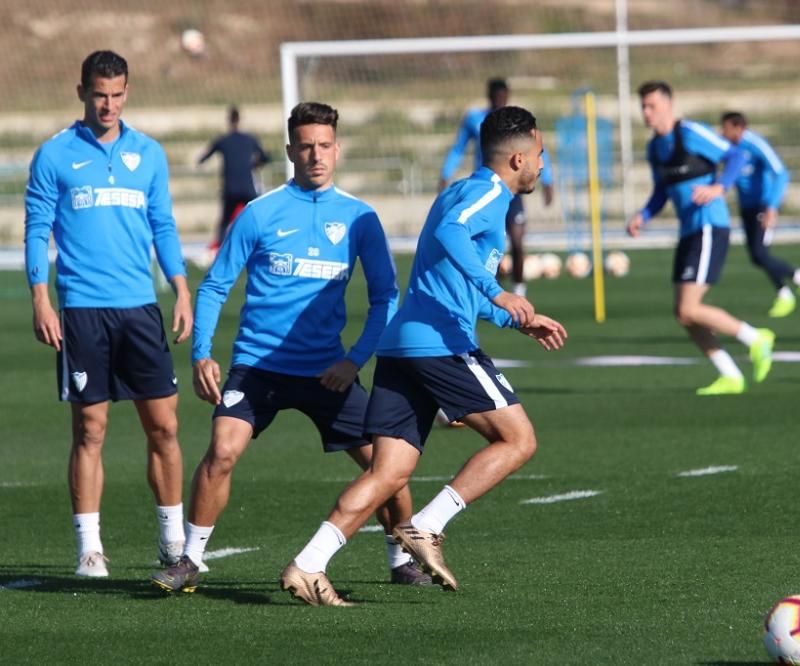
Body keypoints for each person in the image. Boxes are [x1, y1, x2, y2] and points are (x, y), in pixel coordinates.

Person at [279, 105, 568, 606]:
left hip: (400, 347)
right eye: (541, 156)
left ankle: (306, 565)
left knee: (386, 475)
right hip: (440, 346)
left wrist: (515, 319)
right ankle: (428, 526)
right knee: (518, 440)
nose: (543, 166)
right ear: (518, 157)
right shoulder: (487, 194)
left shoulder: (462, 188)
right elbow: (450, 234)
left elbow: (451, 279)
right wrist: (500, 294)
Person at [150, 102, 430, 594]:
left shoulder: (360, 218)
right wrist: (202, 353)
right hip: (259, 366)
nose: (315, 155)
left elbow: (386, 297)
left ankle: (399, 559)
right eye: (305, 146)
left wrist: (353, 360)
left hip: (329, 371)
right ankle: (190, 560)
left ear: (337, 149)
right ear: (288, 151)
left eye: (324, 146)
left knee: (387, 465)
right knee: (221, 450)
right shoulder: (259, 213)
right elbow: (215, 287)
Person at [24, 50, 192, 577]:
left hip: (140, 309)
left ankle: (172, 542)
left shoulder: (150, 153)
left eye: (118, 94)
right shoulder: (54, 155)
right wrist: (40, 297)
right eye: (100, 94)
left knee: (164, 426)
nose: (109, 104)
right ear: (81, 92)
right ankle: (90, 549)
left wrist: (182, 289)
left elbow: (163, 226)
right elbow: (35, 229)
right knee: (91, 430)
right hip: (82, 312)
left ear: (127, 92)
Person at [626, 81, 774, 397]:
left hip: (710, 227)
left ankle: (756, 337)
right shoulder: (655, 148)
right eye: (643, 106)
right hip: (689, 231)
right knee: (683, 313)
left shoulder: (691, 132)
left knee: (690, 308)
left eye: (651, 105)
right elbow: (661, 191)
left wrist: (720, 187)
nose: (646, 112)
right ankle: (731, 375)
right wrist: (644, 216)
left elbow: (735, 156)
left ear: (669, 104)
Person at [439, 78, 554, 297]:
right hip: (488, 187)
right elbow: (458, 148)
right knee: (490, 247)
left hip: (511, 192)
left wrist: (548, 180)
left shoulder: (518, 125)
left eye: (504, 96)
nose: (501, 100)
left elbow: (539, 151)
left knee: (517, 242)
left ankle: (518, 293)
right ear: (489, 97)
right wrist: (445, 174)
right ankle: (492, 292)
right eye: (497, 97)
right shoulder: (476, 120)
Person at [719, 112, 800, 318]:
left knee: (760, 254)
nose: (723, 132)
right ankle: (785, 294)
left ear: (738, 128)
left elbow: (781, 172)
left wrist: (772, 207)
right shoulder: (728, 147)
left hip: (762, 207)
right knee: (757, 257)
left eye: (726, 128)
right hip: (746, 207)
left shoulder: (755, 144)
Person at [198, 106, 270, 249]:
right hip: (247, 186)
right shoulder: (249, 139)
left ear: (228, 121)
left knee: (224, 222)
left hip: (230, 188)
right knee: (256, 216)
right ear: (240, 120)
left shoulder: (223, 140)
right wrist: (253, 165)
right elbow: (265, 157)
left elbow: (204, 157)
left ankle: (219, 249)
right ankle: (264, 243)